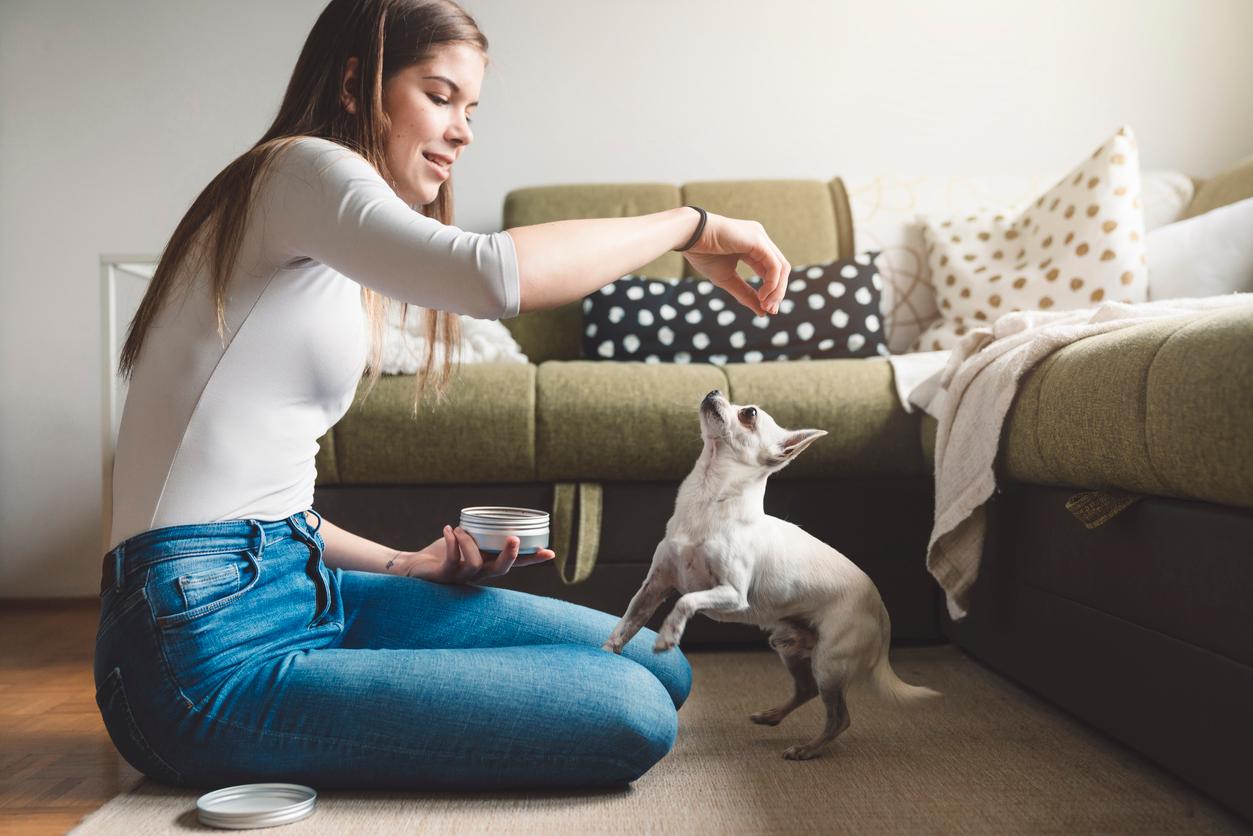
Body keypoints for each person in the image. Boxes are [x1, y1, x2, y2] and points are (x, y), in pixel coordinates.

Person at [95, 0, 791, 792]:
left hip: (299, 590)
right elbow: (488, 276)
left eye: (471, 108)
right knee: (633, 708)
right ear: (357, 85)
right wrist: (690, 226)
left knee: (652, 663)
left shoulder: (317, 228)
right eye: (438, 95)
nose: (463, 130)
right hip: (191, 658)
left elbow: (260, 507)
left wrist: (402, 563)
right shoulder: (299, 168)